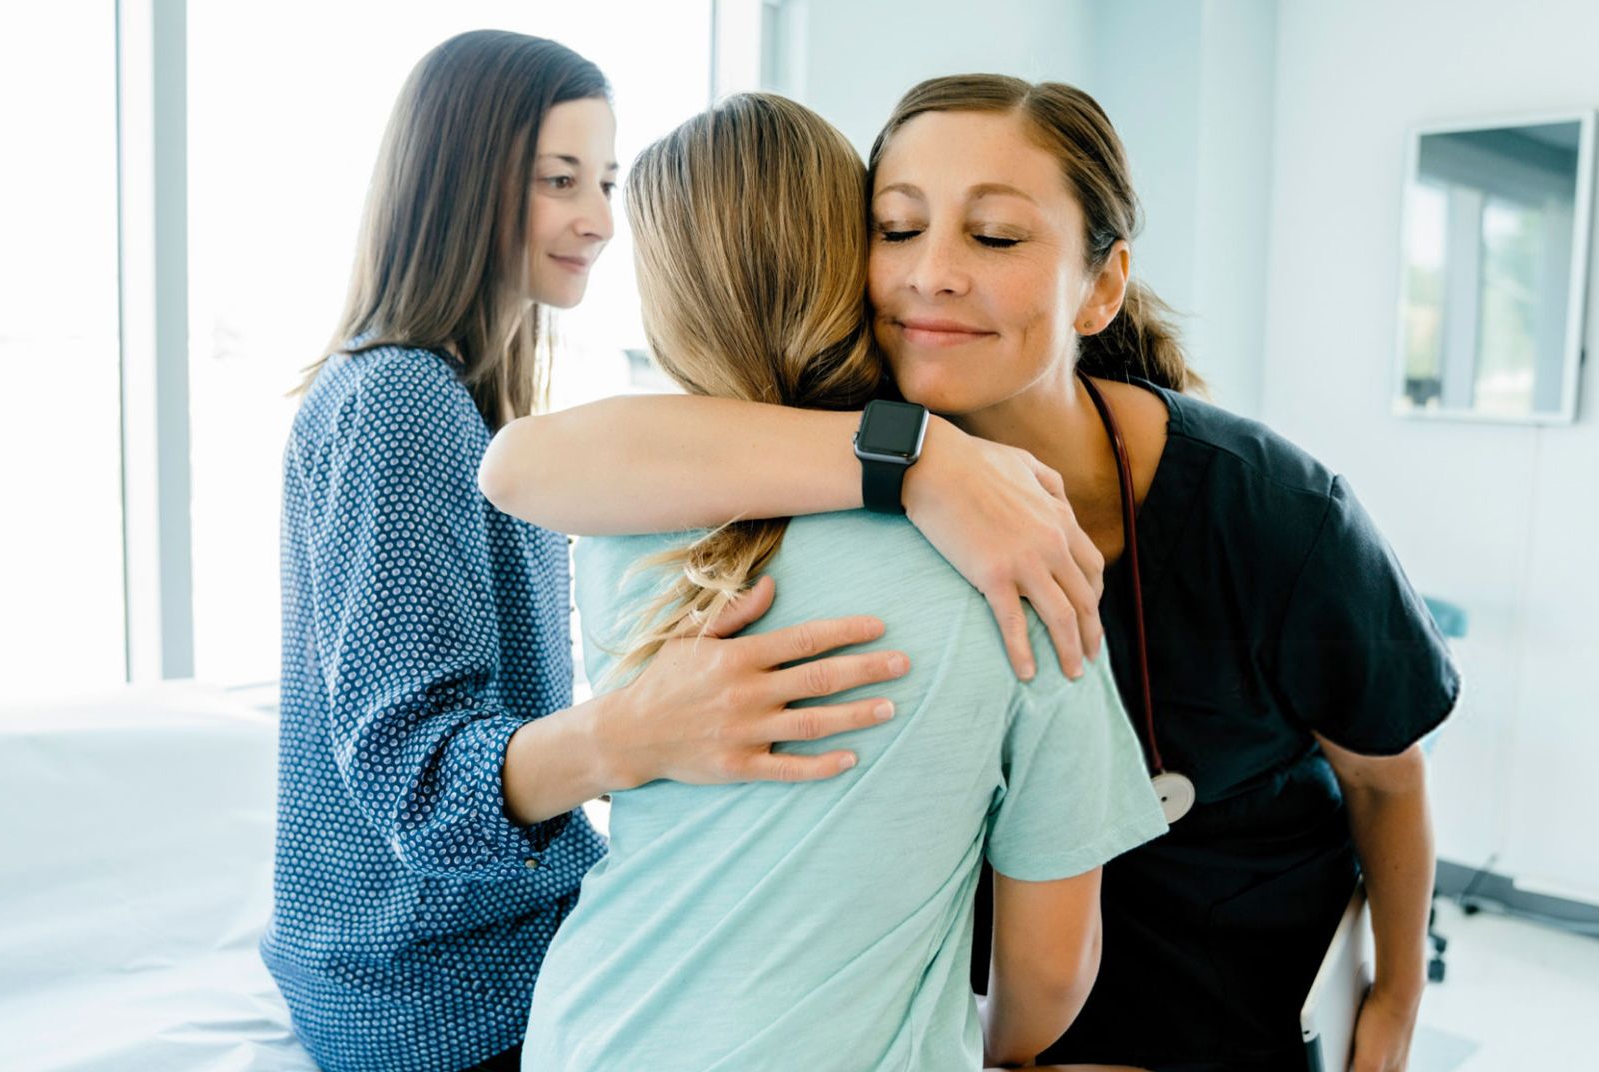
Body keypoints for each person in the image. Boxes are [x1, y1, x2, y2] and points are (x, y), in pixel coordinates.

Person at [484, 75, 1460, 1072]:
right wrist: (921, 461)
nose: (931, 274)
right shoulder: (819, 469)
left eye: (994, 238)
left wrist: (1390, 999)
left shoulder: (1272, 513)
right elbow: (523, 466)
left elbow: (1385, 781)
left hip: (1228, 1006)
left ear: (1101, 286)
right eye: (896, 229)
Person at [266, 32, 936, 1072]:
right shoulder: (401, 400)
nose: (597, 220)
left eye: (608, 182)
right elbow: (420, 785)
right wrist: (636, 732)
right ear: (456, 183)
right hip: (440, 997)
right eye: (558, 180)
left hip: (459, 954)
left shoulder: (453, 401)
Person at [517, 92, 1169, 1072]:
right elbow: (1049, 969)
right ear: (854, 257)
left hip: (590, 1031)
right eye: (899, 228)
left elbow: (522, 465)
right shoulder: (1018, 564)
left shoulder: (624, 528)